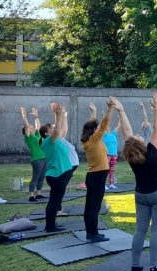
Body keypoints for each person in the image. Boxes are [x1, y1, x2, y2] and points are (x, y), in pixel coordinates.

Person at [111, 93, 157, 271]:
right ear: (139, 144)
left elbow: (128, 133)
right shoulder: (152, 151)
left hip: (141, 195)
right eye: (137, 136)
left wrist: (121, 110)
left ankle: (135, 266)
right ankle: (153, 266)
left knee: (140, 230)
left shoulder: (131, 157)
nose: (136, 134)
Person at [81, 102, 114, 243]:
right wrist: (110, 108)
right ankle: (93, 234)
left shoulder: (88, 140)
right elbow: (105, 122)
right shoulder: (94, 139)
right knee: (94, 207)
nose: (99, 129)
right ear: (94, 130)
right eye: (96, 128)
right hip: (98, 177)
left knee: (89, 206)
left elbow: (92, 125)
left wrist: (93, 111)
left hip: (93, 176)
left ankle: (90, 233)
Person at [40, 103, 73, 233]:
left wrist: (61, 114)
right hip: (57, 175)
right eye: (50, 128)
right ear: (47, 133)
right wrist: (57, 115)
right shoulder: (48, 141)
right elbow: (58, 130)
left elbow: (62, 129)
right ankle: (50, 227)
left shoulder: (55, 139)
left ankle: (52, 224)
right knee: (54, 201)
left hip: (59, 175)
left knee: (55, 201)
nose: (53, 128)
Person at [21, 107, 47, 202]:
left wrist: (36, 117)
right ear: (27, 131)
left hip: (44, 158)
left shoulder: (37, 135)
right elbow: (27, 126)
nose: (31, 127)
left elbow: (38, 127)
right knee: (35, 177)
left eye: (32, 126)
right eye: (30, 127)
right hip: (37, 159)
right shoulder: (28, 138)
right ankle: (31, 196)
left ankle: (39, 194)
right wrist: (24, 116)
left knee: (42, 176)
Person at [103, 115, 121, 190]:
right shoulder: (104, 134)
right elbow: (104, 124)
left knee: (112, 171)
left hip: (114, 155)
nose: (108, 127)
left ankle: (111, 184)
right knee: (105, 170)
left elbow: (119, 125)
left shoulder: (113, 134)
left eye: (109, 127)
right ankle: (103, 184)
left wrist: (120, 117)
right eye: (107, 127)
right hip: (107, 155)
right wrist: (104, 115)